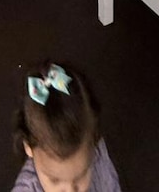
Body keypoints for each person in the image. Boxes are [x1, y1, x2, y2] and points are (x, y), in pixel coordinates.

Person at [11, 61, 122, 192]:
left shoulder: (96, 150)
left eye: (81, 176)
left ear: (94, 139)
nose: (70, 191)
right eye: (54, 180)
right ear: (28, 147)